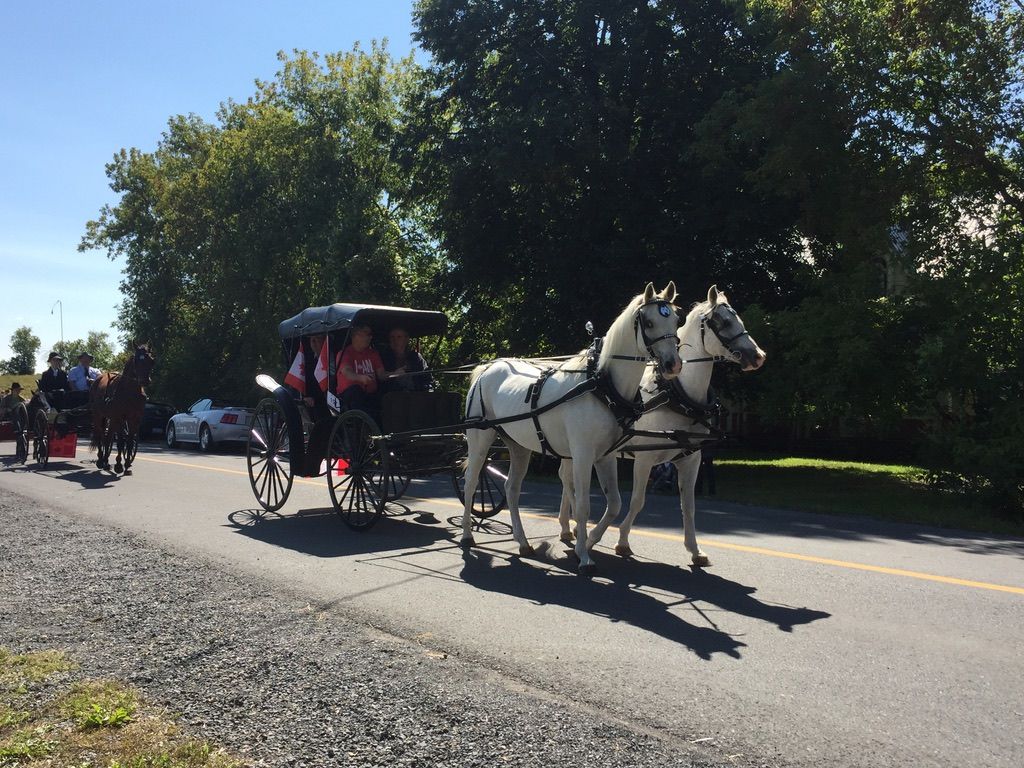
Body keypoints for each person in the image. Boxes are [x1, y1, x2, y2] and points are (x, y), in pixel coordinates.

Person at [336, 324, 387, 419]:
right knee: (356, 391)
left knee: (386, 394)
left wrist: (396, 373)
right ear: (356, 335)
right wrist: (361, 378)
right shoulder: (344, 354)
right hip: (350, 398)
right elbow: (347, 372)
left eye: (371, 335)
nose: (370, 337)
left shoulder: (373, 353)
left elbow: (381, 375)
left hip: (371, 395)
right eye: (367, 334)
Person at [380, 326, 430, 392]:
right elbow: (380, 380)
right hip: (391, 397)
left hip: (415, 396)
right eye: (392, 337)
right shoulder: (384, 357)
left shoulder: (416, 357)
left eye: (399, 337)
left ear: (406, 339)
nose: (395, 340)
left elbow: (427, 379)